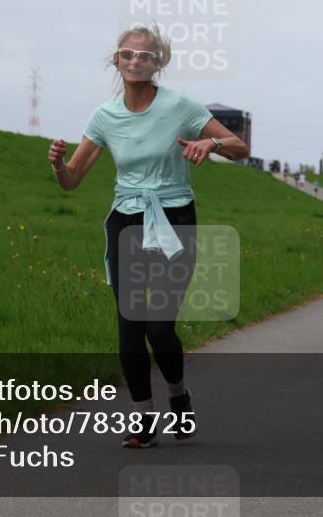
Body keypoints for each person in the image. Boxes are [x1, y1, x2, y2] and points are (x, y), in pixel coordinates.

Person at [48, 24, 248, 448]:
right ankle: (142, 418)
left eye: (145, 55)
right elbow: (72, 181)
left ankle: (179, 397)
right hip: (127, 222)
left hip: (175, 219)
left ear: (159, 63)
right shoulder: (105, 116)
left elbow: (239, 147)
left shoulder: (181, 106)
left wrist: (210, 145)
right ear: (116, 60)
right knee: (129, 324)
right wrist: (57, 165)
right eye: (127, 54)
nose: (135, 61)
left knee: (159, 329)